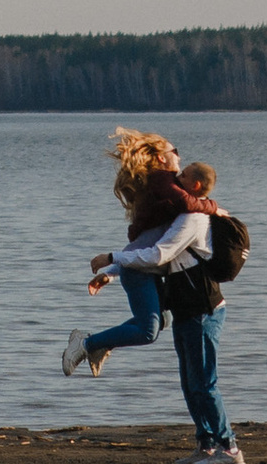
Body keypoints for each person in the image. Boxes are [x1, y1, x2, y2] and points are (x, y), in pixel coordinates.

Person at [60, 129, 203, 380]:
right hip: (139, 272)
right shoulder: (166, 187)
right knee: (148, 331)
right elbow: (152, 249)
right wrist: (215, 208)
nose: (179, 160)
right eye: (176, 153)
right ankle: (86, 344)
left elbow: (145, 243)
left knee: (162, 321)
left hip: (142, 268)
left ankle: (100, 344)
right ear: (161, 158)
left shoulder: (167, 195)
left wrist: (111, 273)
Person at [159, 161, 243, 464]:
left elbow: (161, 254)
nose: (176, 177)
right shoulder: (186, 214)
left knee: (205, 383)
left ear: (195, 185)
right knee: (189, 382)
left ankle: (229, 448)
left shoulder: (193, 219)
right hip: (185, 311)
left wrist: (113, 262)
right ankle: (206, 446)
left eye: (182, 174)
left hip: (204, 312)